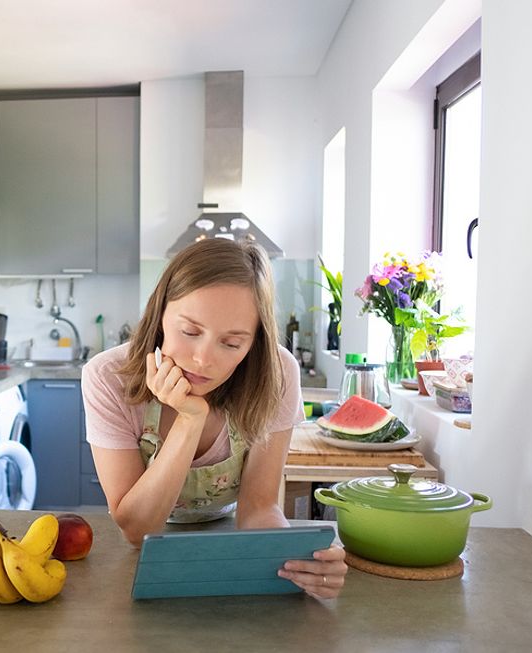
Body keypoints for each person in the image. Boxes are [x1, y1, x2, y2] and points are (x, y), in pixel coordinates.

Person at [81, 238, 347, 598]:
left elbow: (259, 507)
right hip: (141, 553)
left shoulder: (278, 372)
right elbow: (136, 530)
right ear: (160, 313)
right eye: (190, 332)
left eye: (232, 343)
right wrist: (189, 420)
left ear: (254, 343)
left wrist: (297, 560)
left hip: (229, 536)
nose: (203, 359)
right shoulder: (107, 377)